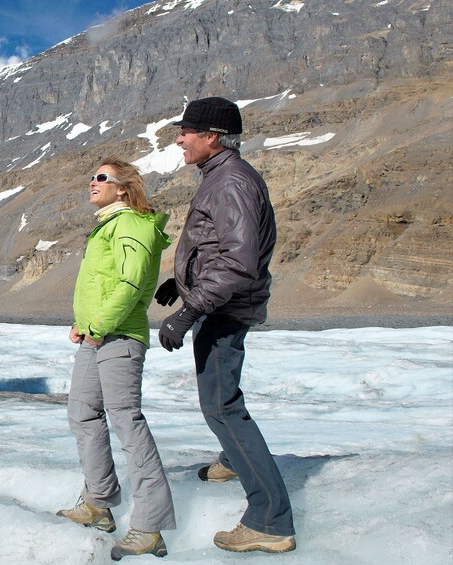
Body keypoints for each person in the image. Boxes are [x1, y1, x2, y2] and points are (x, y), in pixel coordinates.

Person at [154, 96, 296, 553]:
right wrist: (183, 279)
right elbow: (219, 247)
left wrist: (189, 309)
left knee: (221, 406)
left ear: (211, 137)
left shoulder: (230, 182)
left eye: (187, 132)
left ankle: (269, 522)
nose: (179, 139)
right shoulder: (223, 176)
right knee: (222, 401)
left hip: (224, 310)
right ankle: (235, 459)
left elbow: (238, 263)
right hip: (220, 305)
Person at [58, 159, 176, 560]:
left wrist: (100, 323)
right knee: (82, 413)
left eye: (102, 177)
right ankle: (99, 501)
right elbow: (103, 283)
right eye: (91, 176)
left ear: (123, 188)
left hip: (120, 336)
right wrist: (84, 323)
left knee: (127, 421)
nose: (93, 182)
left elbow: (130, 282)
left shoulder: (132, 225)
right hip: (97, 335)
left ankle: (150, 525)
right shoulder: (107, 225)